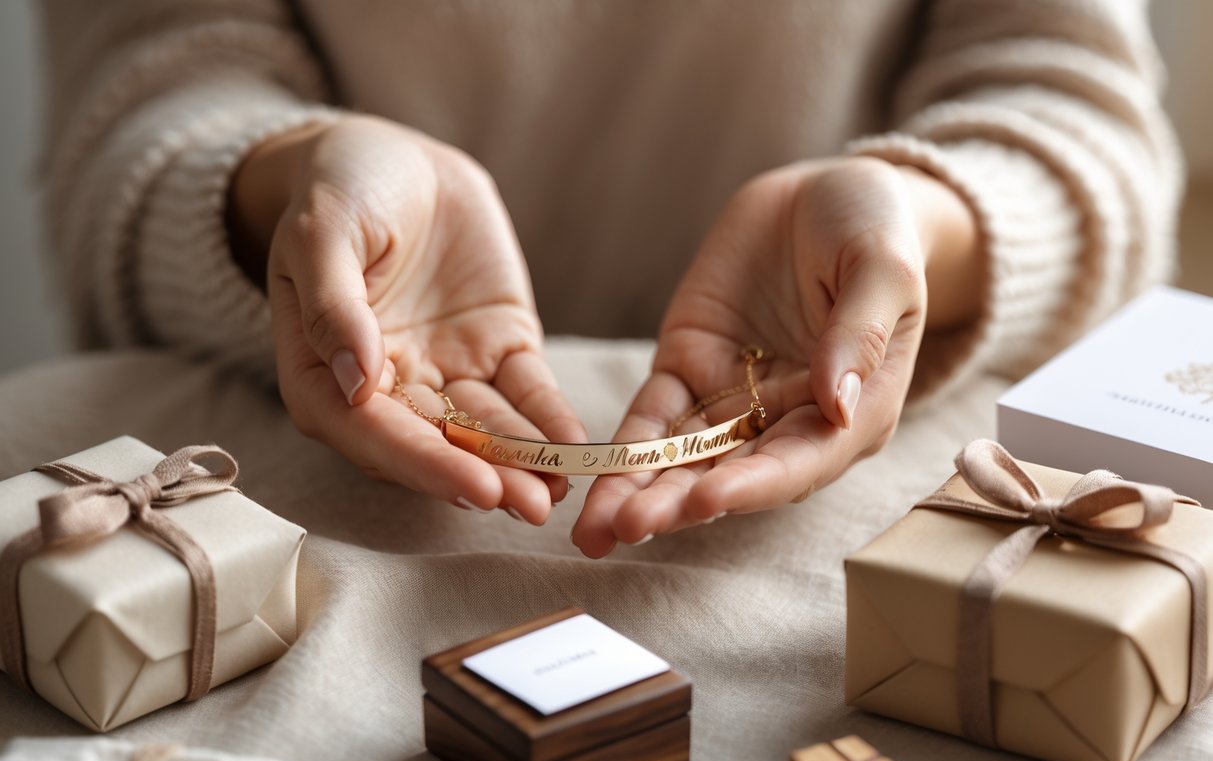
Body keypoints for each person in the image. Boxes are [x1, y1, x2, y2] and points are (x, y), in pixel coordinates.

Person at [38, 0, 1181, 557]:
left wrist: (916, 226)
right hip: (323, 496)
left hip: (840, 497)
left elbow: (1085, 115)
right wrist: (291, 192)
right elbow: (138, 108)